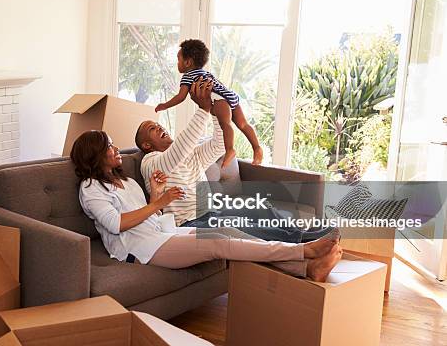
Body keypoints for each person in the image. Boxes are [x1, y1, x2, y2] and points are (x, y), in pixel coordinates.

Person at [71, 129, 342, 282]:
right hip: (139, 249)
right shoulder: (91, 189)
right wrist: (160, 203)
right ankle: (302, 250)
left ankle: (306, 268)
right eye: (109, 145)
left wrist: (155, 195)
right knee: (217, 243)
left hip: (160, 234)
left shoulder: (126, 181)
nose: (116, 147)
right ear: (95, 155)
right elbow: (117, 224)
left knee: (230, 234)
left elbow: (149, 216)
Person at [138, 79, 335, 243]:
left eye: (158, 124)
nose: (159, 127)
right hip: (187, 224)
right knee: (240, 226)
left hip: (212, 211)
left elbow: (219, 145)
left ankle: (303, 235)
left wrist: (215, 110)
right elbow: (176, 153)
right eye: (152, 129)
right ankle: (305, 240)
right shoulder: (151, 162)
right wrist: (203, 110)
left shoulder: (190, 154)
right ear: (147, 145)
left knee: (261, 208)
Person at [155, 39, 262, 167]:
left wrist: (164, 105)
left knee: (225, 124)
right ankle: (257, 148)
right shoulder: (206, 73)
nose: (177, 63)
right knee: (243, 124)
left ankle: (230, 150)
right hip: (229, 95)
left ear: (188, 62)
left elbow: (180, 97)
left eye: (178, 59)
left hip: (218, 98)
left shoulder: (188, 76)